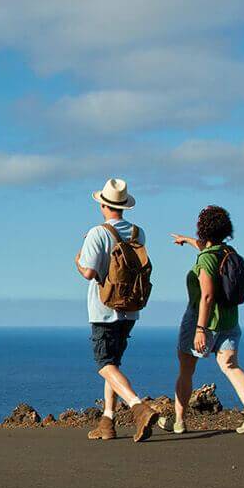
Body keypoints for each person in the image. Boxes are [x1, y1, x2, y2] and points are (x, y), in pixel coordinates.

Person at [167, 205, 244, 434]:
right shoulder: (229, 253)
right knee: (231, 366)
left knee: (186, 369)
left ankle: (179, 421)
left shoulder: (206, 260)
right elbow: (206, 247)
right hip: (229, 321)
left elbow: (207, 296)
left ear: (203, 229)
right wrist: (187, 240)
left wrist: (200, 329)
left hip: (202, 322)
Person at [75, 178, 158, 441]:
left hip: (103, 308)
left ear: (102, 204)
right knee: (114, 363)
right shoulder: (138, 233)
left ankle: (138, 407)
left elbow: (88, 272)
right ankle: (107, 421)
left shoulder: (98, 233)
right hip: (131, 307)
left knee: (104, 363)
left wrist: (78, 259)